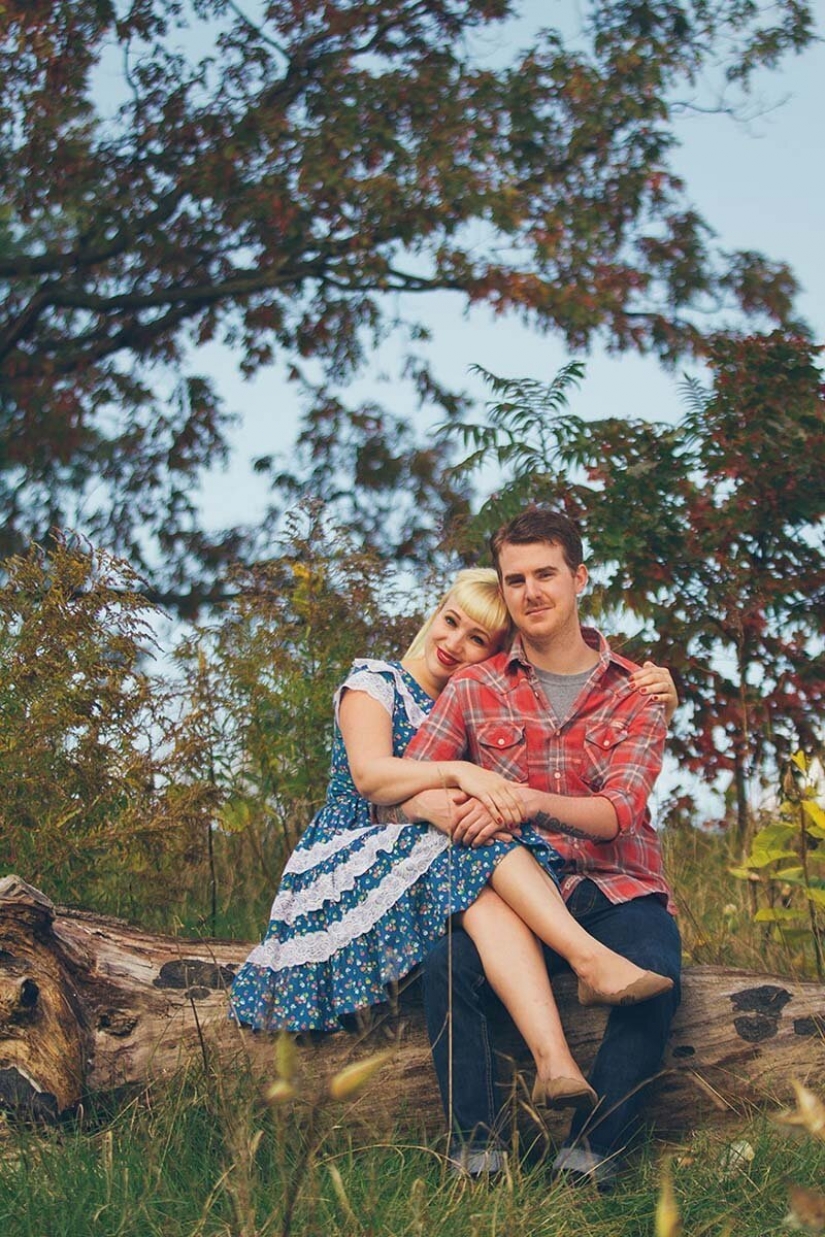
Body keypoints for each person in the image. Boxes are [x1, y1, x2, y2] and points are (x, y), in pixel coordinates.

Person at [229, 568, 677, 1109]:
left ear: (496, 651)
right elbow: (370, 777)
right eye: (450, 622)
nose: (454, 643)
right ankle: (586, 961)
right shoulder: (376, 683)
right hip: (353, 848)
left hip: (434, 853)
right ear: (435, 614)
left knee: (479, 857)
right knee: (482, 847)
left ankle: (555, 1064)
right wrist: (459, 775)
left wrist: (660, 698)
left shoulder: (471, 698)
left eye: (477, 639)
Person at [404, 508, 682, 1188]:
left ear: (578, 578)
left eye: (545, 574)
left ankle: (590, 1154)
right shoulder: (474, 687)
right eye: (515, 579)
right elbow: (407, 785)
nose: (530, 592)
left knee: (653, 969)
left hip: (614, 885)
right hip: (512, 897)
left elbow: (615, 814)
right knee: (444, 965)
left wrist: (524, 801)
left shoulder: (638, 692)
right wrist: (457, 807)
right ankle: (477, 1155)